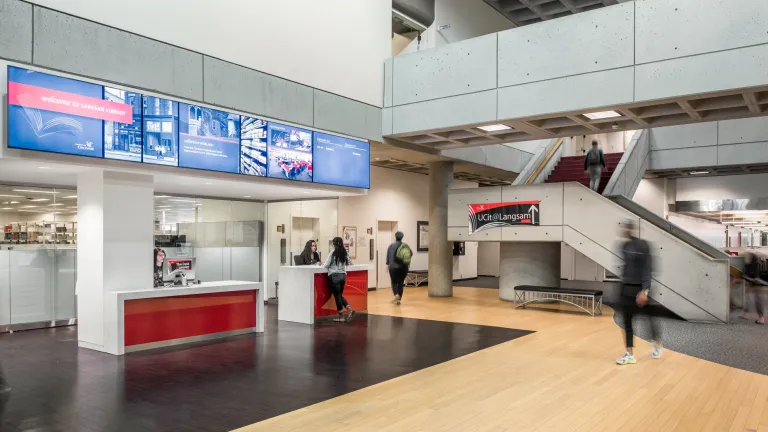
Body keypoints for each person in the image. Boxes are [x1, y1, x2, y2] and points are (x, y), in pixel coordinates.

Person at [616, 220, 662, 365]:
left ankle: (657, 342)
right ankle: (629, 354)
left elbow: (647, 268)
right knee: (626, 321)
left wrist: (645, 290)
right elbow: (627, 267)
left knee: (649, 318)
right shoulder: (624, 246)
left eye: (628, 228)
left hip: (640, 290)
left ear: (633, 230)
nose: (625, 230)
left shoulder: (643, 245)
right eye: (624, 228)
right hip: (626, 289)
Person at [323, 237, 356, 322]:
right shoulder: (345, 252)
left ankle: (341, 316)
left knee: (337, 296)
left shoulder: (333, 252)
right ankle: (349, 309)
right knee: (339, 295)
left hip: (334, 276)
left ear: (334, 244)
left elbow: (326, 265)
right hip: (343, 276)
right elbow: (350, 263)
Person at [741, 250, 766, 325]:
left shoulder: (749, 265)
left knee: (751, 300)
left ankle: (748, 315)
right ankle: (759, 317)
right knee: (756, 301)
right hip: (758, 285)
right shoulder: (760, 265)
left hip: (752, 284)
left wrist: (748, 278)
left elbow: (745, 275)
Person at [386, 231, 411, 305]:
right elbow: (409, 255)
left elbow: (388, 258)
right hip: (403, 267)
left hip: (393, 267)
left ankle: (396, 294)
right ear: (402, 237)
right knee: (400, 283)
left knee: (394, 282)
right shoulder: (405, 246)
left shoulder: (391, 246)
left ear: (395, 237)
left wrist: (388, 264)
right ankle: (399, 300)